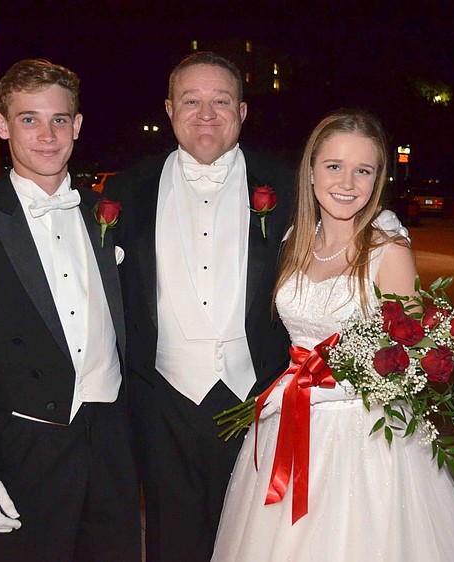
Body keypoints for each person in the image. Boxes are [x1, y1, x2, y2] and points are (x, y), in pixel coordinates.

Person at [211, 108, 454, 561]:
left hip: (366, 437)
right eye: (334, 166)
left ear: (378, 180)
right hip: (290, 419)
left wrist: (321, 392)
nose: (347, 182)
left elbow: (407, 362)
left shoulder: (388, 251)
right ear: (312, 172)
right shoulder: (293, 240)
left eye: (364, 170)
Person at [0, 59, 140, 561]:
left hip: (109, 441)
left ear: (77, 126)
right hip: (24, 446)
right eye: (29, 119)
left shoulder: (109, 215)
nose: (47, 135)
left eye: (59, 119)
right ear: (1, 125)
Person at [103, 51, 293, 562]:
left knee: (255, 538)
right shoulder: (126, 188)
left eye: (221, 101)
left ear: (243, 112)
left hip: (260, 396)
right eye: (191, 100)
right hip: (161, 397)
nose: (206, 114)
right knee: (172, 537)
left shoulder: (292, 184)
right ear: (169, 109)